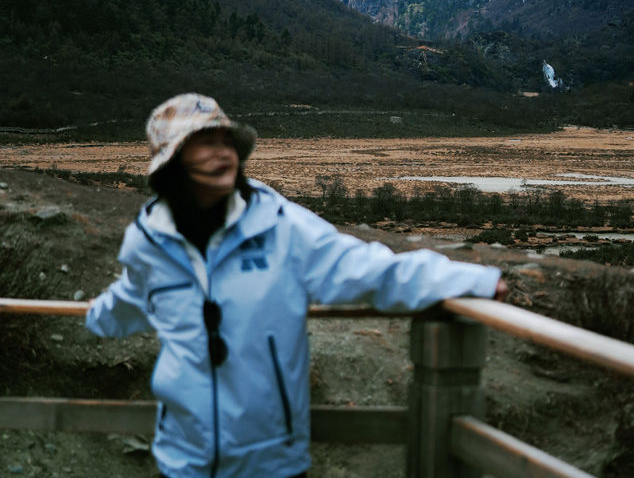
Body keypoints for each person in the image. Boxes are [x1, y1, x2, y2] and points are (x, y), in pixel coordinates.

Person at [86, 92, 507, 478]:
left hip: (272, 464)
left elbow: (366, 269)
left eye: (228, 142)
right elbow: (132, 296)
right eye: (206, 142)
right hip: (182, 460)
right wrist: (93, 319)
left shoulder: (282, 228)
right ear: (174, 163)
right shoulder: (148, 244)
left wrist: (474, 278)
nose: (224, 153)